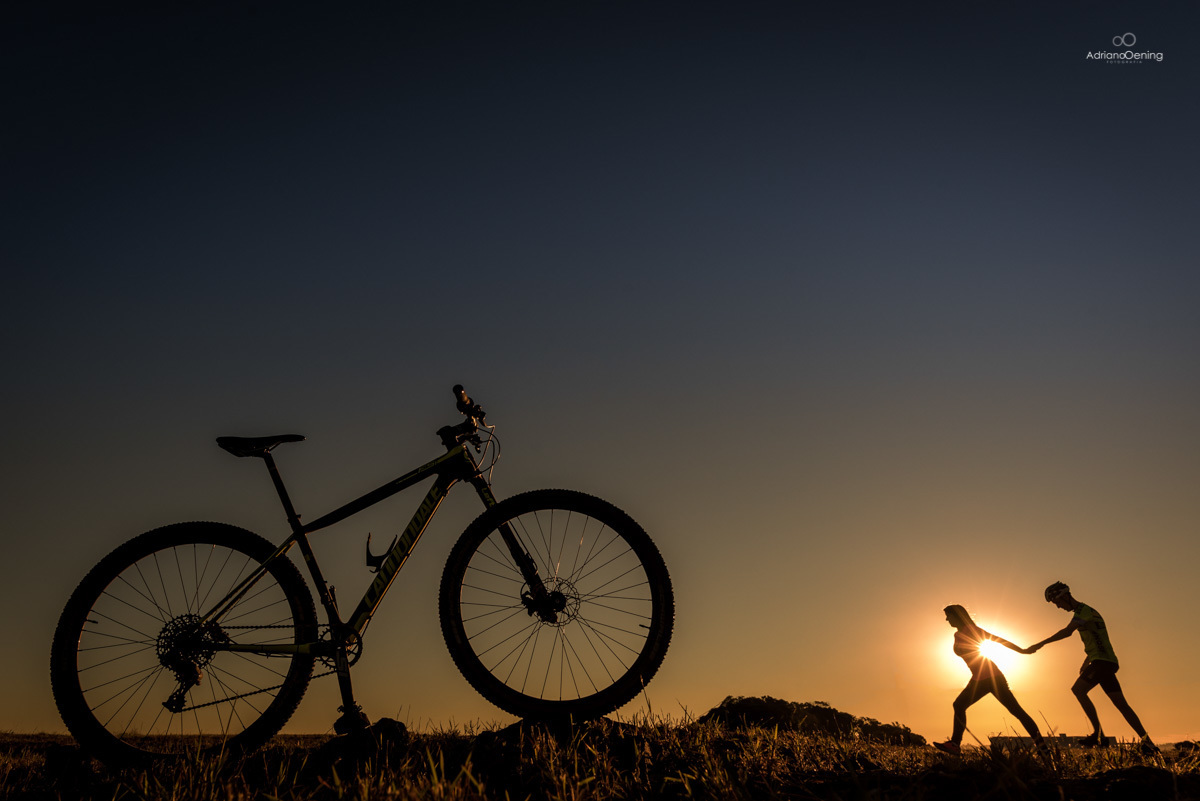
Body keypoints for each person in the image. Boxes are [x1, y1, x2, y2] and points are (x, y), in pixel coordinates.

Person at [1027, 582, 1158, 754]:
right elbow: (1097, 638)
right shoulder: (1085, 612)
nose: (1058, 607)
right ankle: (1148, 743)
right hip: (1105, 661)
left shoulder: (1083, 611)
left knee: (1078, 690)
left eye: (1057, 602)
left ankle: (1097, 735)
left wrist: (1040, 644)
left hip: (1102, 662)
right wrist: (1087, 661)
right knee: (1122, 705)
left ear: (1064, 596)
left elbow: (1067, 632)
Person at [934, 604, 1046, 755]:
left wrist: (1023, 651)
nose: (947, 619)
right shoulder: (958, 634)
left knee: (1015, 710)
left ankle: (1043, 748)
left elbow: (998, 640)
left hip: (991, 676)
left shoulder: (972, 630)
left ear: (958, 616)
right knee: (960, 705)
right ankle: (955, 744)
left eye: (949, 616)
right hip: (979, 677)